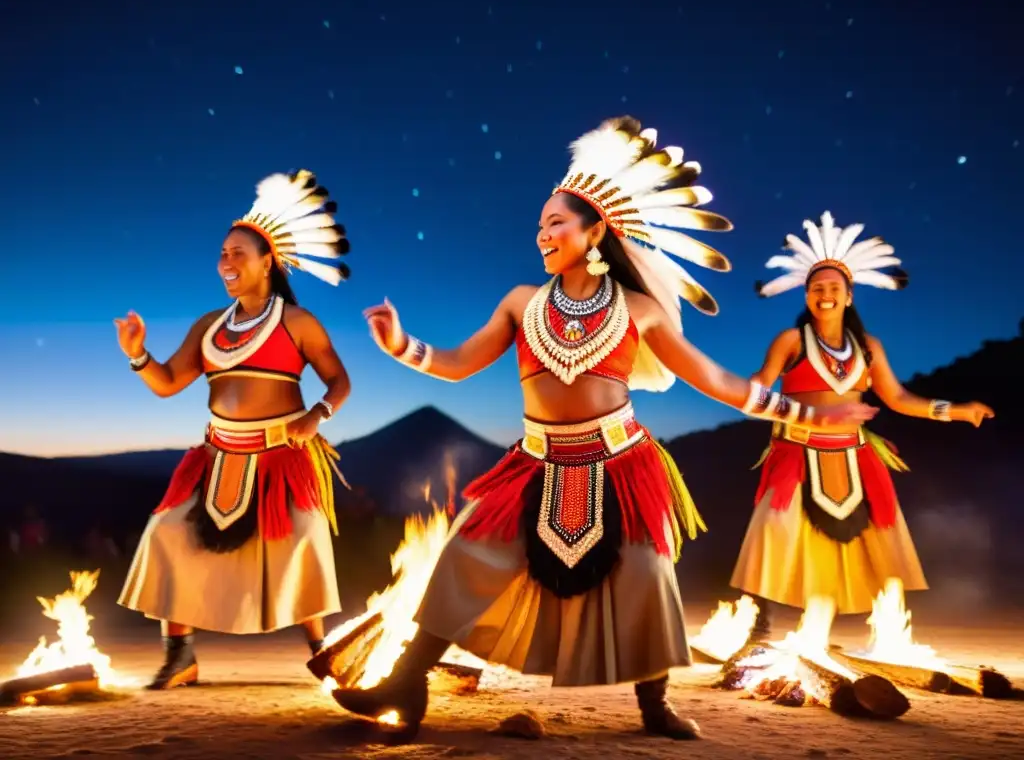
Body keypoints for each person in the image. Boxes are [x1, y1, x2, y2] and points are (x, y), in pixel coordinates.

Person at [330, 118, 875, 739]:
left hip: (621, 463)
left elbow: (717, 381)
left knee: (645, 575)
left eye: (554, 223)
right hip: (534, 463)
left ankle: (654, 706)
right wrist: (402, 346)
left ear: (595, 232)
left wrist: (809, 414)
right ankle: (407, 681)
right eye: (538, 226)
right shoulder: (520, 301)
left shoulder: (639, 311)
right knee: (464, 553)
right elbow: (456, 365)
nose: (541, 235)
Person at [116, 169, 353, 689]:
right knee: (168, 535)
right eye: (222, 253)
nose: (226, 262)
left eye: (237, 253)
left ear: (268, 261)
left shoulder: (299, 323)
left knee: (304, 543)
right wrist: (138, 356)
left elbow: (339, 382)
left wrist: (316, 417)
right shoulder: (207, 326)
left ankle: (324, 650)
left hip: (281, 458)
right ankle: (180, 656)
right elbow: (169, 382)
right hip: (215, 457)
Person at [731, 210, 995, 642]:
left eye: (835, 287)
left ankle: (876, 634)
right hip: (795, 453)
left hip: (855, 455)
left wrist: (955, 410)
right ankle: (755, 630)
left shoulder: (868, 347)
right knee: (772, 536)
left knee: (874, 545)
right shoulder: (791, 341)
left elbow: (898, 398)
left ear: (850, 296)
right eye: (817, 288)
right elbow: (757, 387)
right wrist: (746, 391)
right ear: (806, 295)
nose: (826, 294)